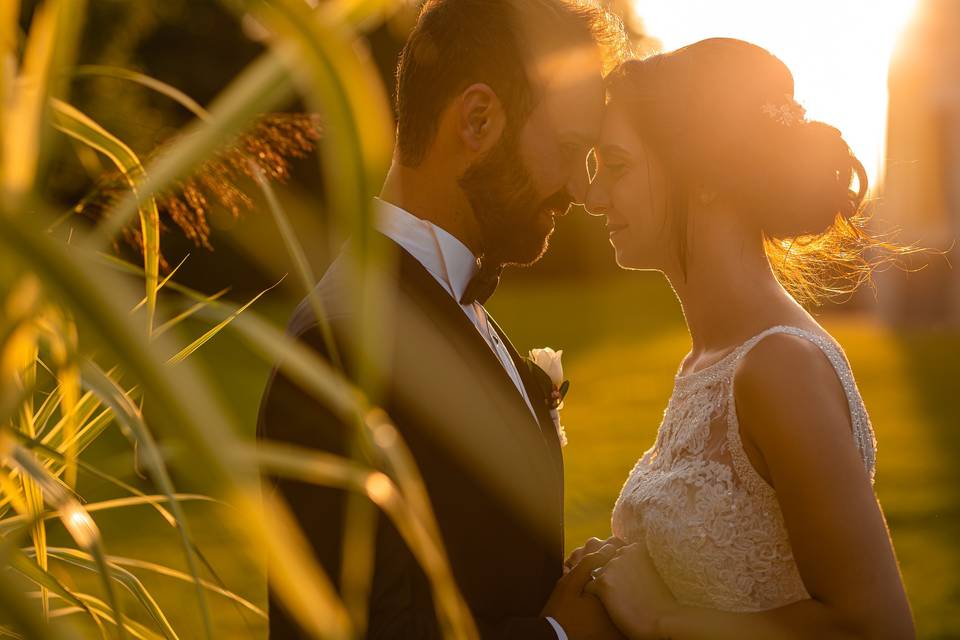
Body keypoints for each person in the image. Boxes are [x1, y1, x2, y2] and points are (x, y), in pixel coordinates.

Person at [256, 1, 630, 637]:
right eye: (569, 149)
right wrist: (559, 636)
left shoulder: (456, 304)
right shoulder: (342, 343)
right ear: (478, 119)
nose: (581, 189)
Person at [569, 38, 915, 639]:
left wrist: (657, 618)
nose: (595, 198)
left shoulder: (780, 367)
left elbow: (875, 627)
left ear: (703, 177)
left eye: (617, 166)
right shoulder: (708, 362)